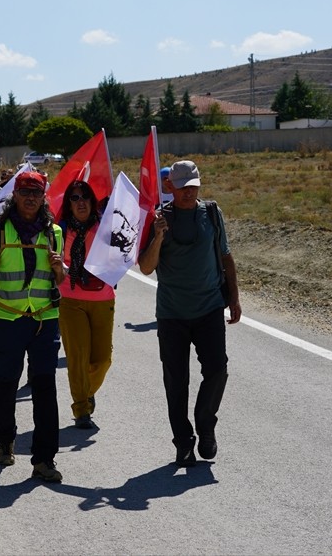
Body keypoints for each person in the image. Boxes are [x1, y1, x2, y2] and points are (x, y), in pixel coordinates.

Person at [137, 160, 241, 467]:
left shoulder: (211, 213)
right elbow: (145, 267)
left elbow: (226, 257)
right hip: (172, 313)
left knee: (217, 369)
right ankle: (183, 442)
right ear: (170, 187)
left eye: (193, 186)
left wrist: (234, 299)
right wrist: (157, 236)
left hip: (209, 308)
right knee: (176, 380)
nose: (189, 192)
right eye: (183, 187)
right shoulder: (158, 218)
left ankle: (205, 424)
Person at [0, 170, 66, 483]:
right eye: (25, 192)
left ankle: (43, 459)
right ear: (15, 194)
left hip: (44, 319)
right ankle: (5, 440)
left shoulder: (54, 232)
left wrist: (58, 268)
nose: (30, 198)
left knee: (45, 388)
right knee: (6, 383)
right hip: (7, 318)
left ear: (43, 196)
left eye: (36, 193)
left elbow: (62, 277)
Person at [57, 180, 115, 430]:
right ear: (68, 204)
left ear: (92, 202)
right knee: (77, 357)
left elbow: (125, 249)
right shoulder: (59, 229)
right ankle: (81, 408)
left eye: (85, 197)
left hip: (103, 298)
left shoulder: (106, 227)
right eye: (74, 198)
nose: (80, 202)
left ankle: (87, 390)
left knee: (102, 360)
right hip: (70, 298)